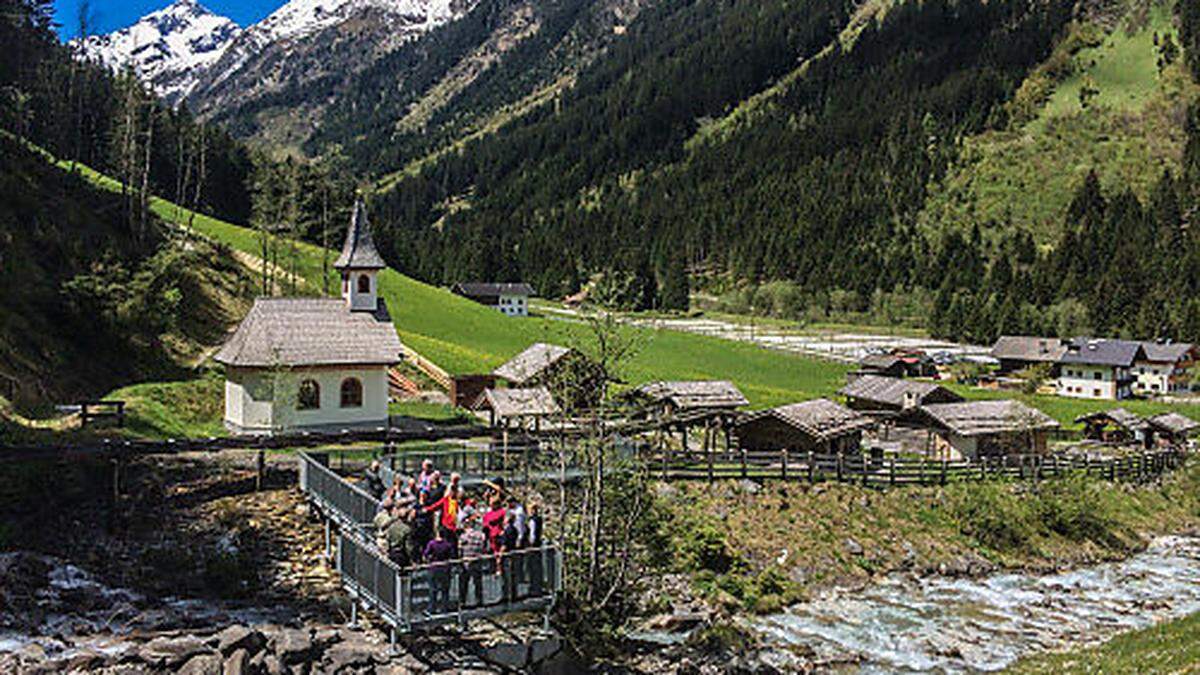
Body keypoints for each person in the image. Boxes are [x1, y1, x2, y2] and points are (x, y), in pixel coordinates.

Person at [457, 515, 488, 608]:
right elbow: (484, 547)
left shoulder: (463, 537)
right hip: (477, 560)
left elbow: (459, 550)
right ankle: (479, 600)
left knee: (464, 583)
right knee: (478, 582)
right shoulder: (481, 535)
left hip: (466, 562)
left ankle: (462, 602)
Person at [422, 525, 455, 616]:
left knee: (433, 589)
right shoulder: (447, 544)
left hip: (434, 567)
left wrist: (428, 559)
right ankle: (444, 608)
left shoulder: (432, 543)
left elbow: (426, 553)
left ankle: (432, 609)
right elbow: (451, 555)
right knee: (445, 590)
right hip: (445, 568)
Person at [423, 484, 462, 553]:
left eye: (454, 491)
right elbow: (436, 505)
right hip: (446, 525)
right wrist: (427, 509)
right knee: (447, 543)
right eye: (451, 491)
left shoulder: (456, 502)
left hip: (454, 527)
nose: (452, 493)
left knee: (454, 545)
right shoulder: (446, 500)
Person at [498, 511, 522, 602]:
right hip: (512, 554)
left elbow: (504, 545)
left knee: (507, 577)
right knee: (511, 576)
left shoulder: (508, 530)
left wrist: (500, 557)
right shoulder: (514, 529)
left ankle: (507, 596)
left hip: (507, 555)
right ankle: (512, 595)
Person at [525, 500, 545, 595]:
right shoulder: (539, 519)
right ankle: (537, 586)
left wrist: (530, 544)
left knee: (533, 567)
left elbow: (532, 534)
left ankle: (534, 587)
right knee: (537, 567)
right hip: (538, 545)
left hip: (533, 546)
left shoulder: (533, 520)